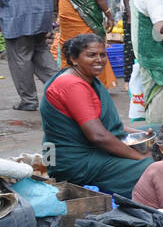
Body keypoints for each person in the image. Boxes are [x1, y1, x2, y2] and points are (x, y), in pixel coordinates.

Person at [40, 34, 153, 196]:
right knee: (156, 167)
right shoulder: (72, 85)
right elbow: (98, 135)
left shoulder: (85, 78)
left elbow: (106, 124)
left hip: (85, 149)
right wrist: (139, 158)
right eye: (91, 55)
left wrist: (138, 134)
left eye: (102, 55)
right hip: (74, 163)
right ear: (74, 58)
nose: (99, 60)